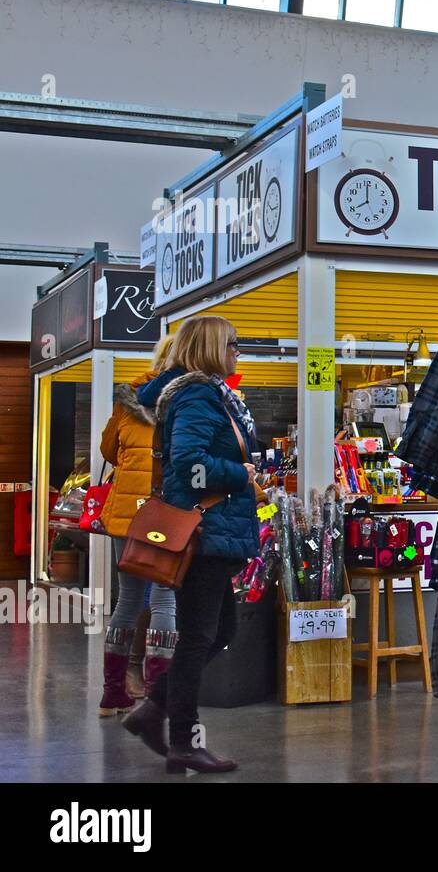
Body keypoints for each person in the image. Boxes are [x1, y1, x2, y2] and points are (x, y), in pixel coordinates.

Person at [122, 316, 258, 774]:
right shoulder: (198, 394)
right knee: (201, 636)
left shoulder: (204, 393)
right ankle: (182, 740)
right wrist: (242, 475)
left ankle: (151, 712)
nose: (239, 350)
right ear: (210, 348)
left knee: (219, 632)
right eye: (232, 343)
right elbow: (189, 463)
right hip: (204, 534)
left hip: (213, 532)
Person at [98, 335, 179, 716]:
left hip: (126, 515)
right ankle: (158, 689)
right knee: (164, 598)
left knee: (127, 600)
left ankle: (112, 691)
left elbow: (108, 452)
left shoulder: (129, 398)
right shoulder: (185, 400)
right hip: (164, 513)